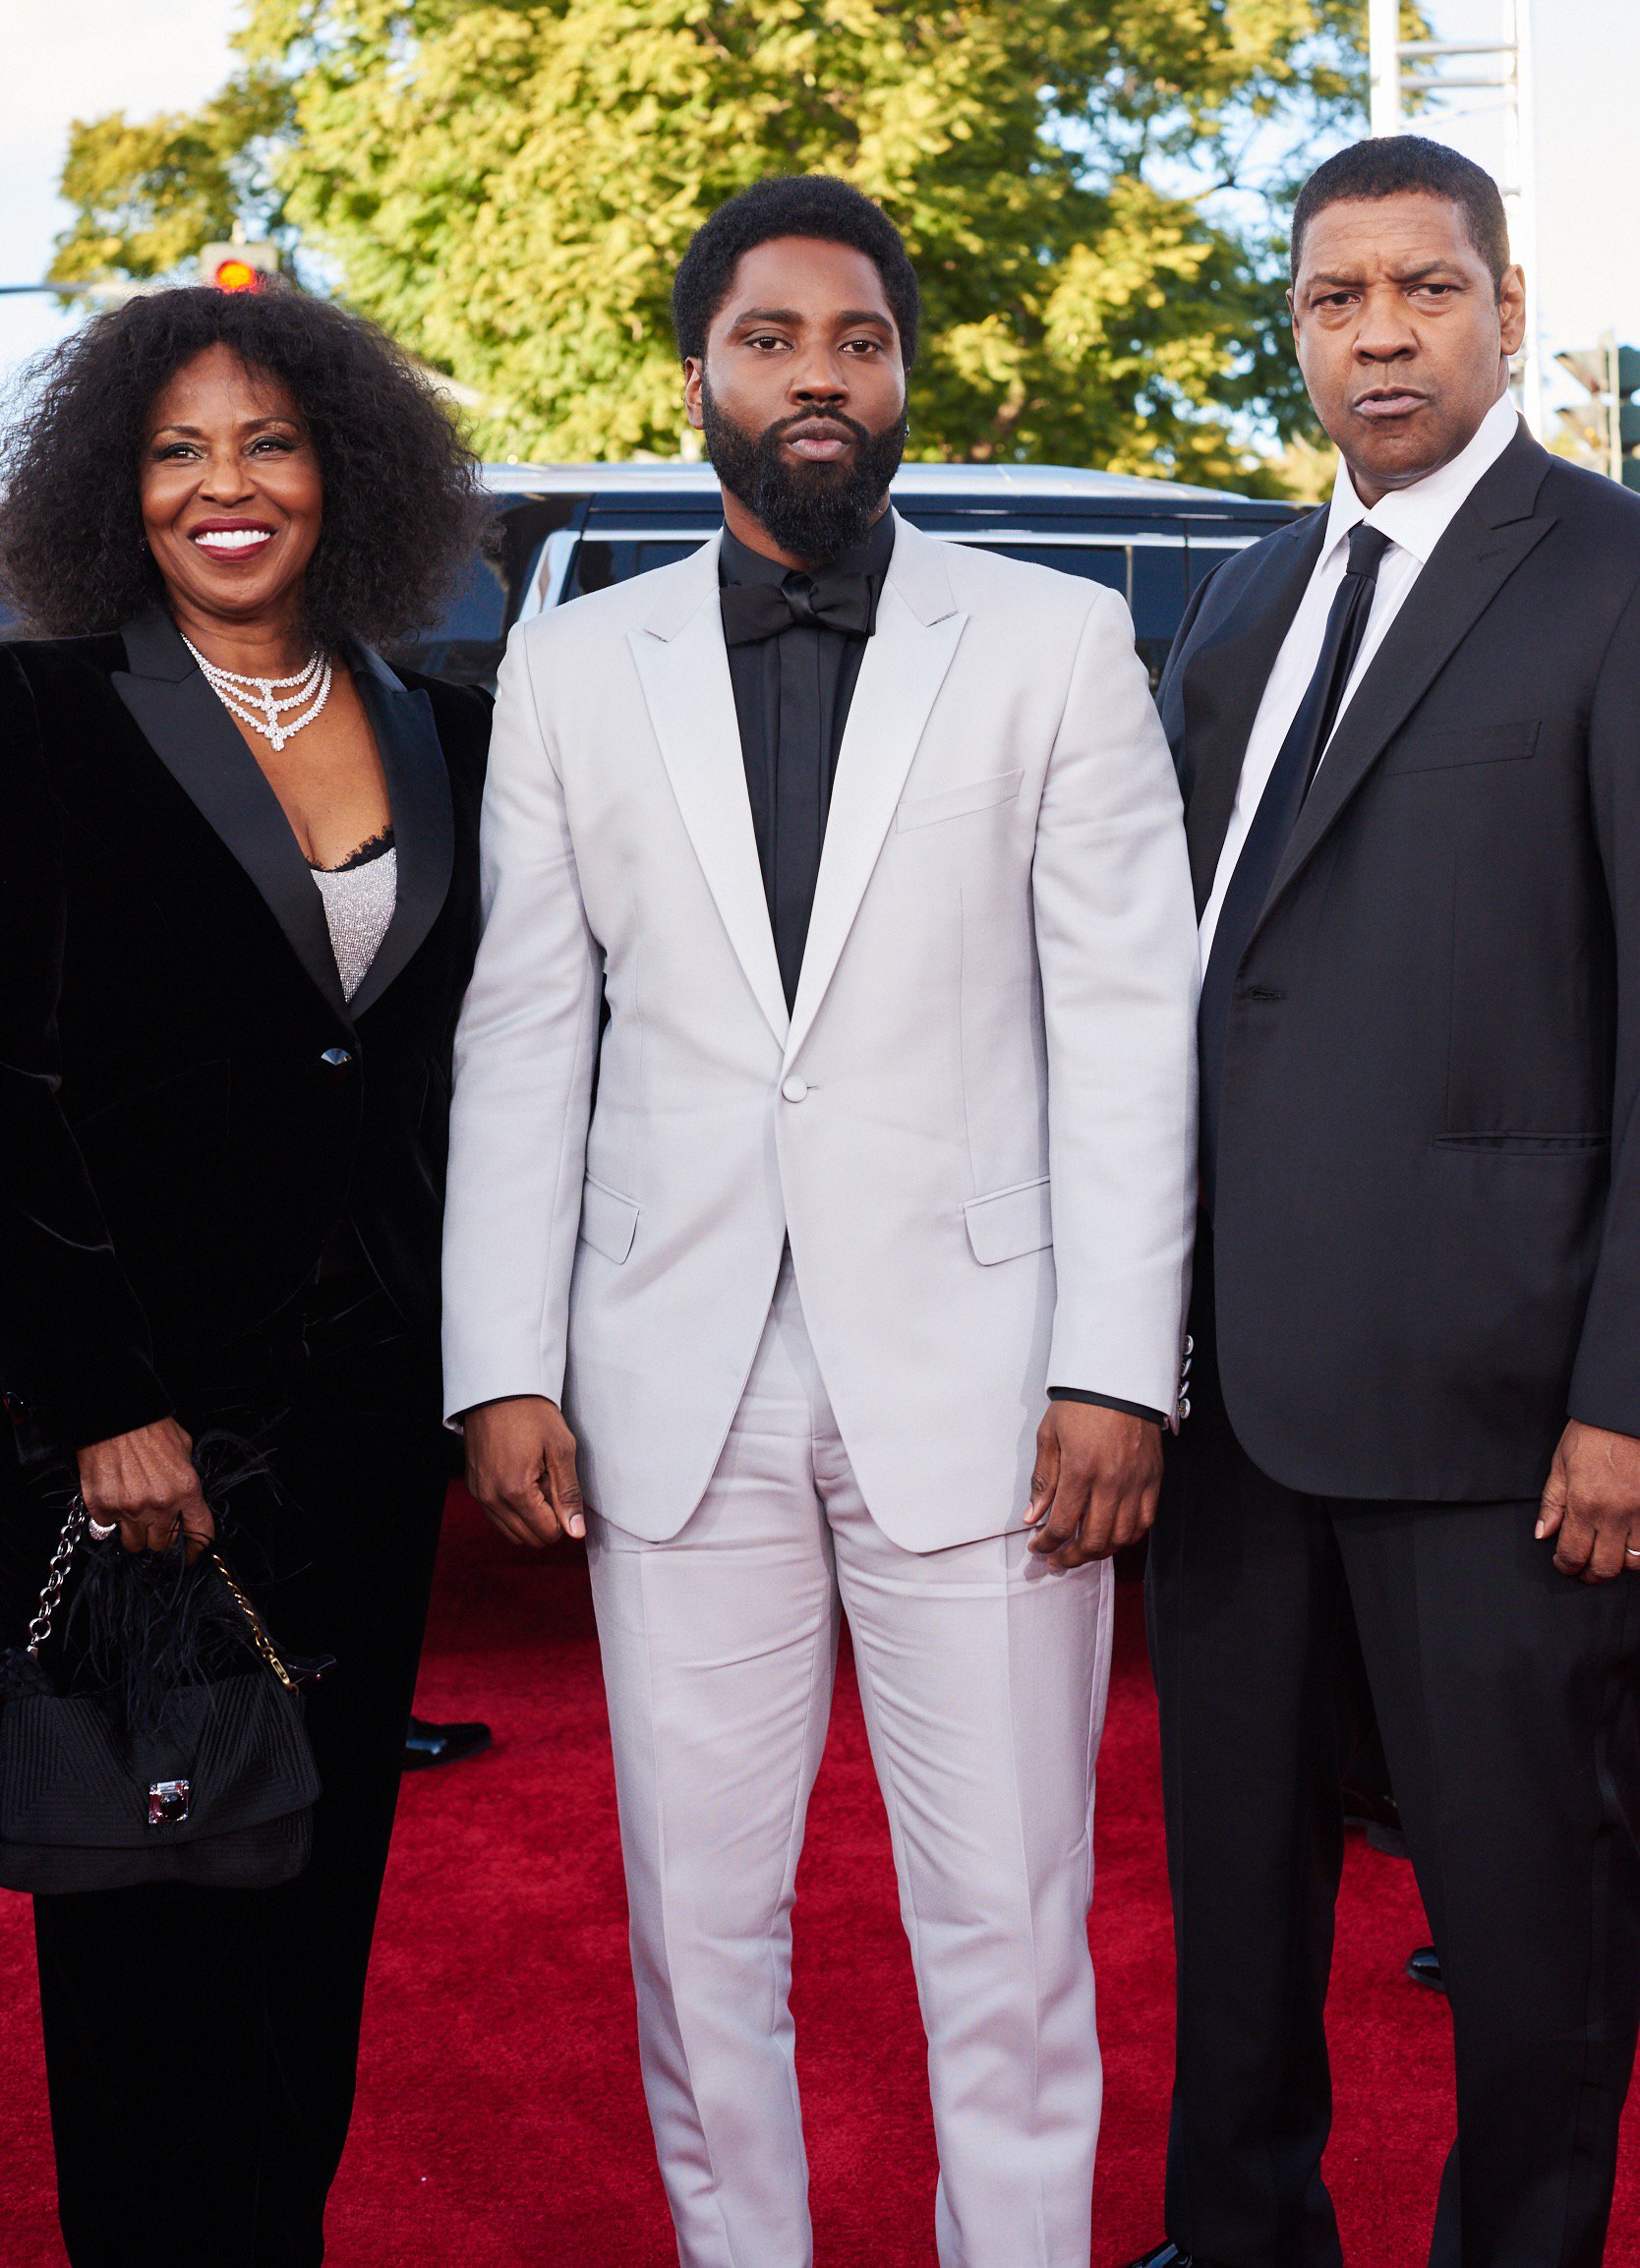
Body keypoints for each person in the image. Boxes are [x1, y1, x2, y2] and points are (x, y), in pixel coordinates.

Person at [440, 175, 1199, 2266]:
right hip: (671, 1384)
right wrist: (502, 1357)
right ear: (699, 377)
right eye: (772, 338)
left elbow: (1131, 1024)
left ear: (901, 376)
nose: (818, 376)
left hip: (989, 1385)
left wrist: (1119, 1363)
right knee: (700, 1933)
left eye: (856, 339)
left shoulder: (1051, 640)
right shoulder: (576, 668)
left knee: (1012, 1930)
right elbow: (527, 1029)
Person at [1130, 135, 1640, 2268]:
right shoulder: (1248, 588)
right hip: (1230, 1395)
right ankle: (1241, 2239)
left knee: (1527, 1933)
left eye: (1423, 291)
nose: (1379, 334)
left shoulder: (1610, 571)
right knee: (1235, 1906)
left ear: (1507, 309)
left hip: (1504, 1403)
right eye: (1336, 299)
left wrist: (1626, 1396)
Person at [0, 282, 491, 2267]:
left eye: (268, 442)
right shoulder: (35, 717)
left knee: (318, 1910)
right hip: (133, 1436)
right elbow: (10, 1086)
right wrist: (102, 1400)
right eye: (178, 449)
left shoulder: (444, 725)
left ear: (343, 471)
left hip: (364, 1426)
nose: (226, 486)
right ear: (116, 490)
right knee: (143, 1934)